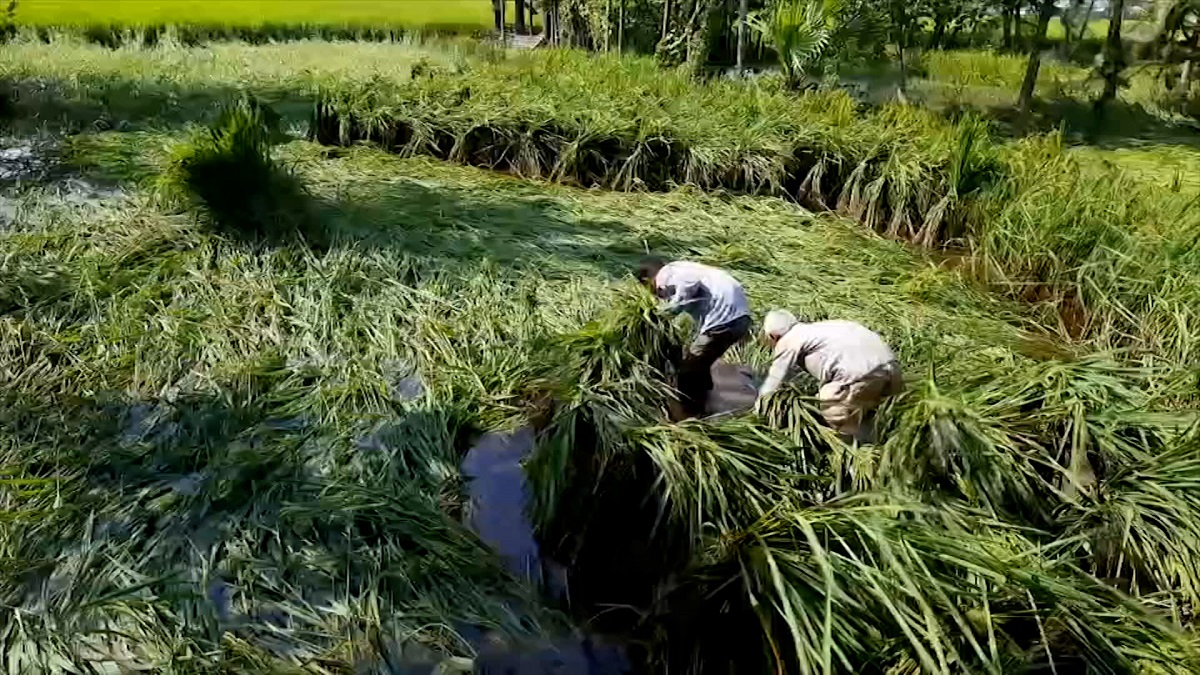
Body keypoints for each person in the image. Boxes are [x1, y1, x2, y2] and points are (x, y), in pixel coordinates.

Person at [756, 309, 903, 442]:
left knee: (831, 405)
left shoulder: (788, 340)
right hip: (891, 366)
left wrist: (758, 409)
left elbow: (774, 379)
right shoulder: (821, 328)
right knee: (884, 416)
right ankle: (890, 439)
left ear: (773, 335)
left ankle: (855, 453)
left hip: (860, 374)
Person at [637, 258, 752, 418]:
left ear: (648, 281)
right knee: (701, 361)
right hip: (739, 317)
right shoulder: (681, 267)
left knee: (687, 371)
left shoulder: (667, 275)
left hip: (725, 320)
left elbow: (690, 284)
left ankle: (691, 416)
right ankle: (708, 399)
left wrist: (668, 311)